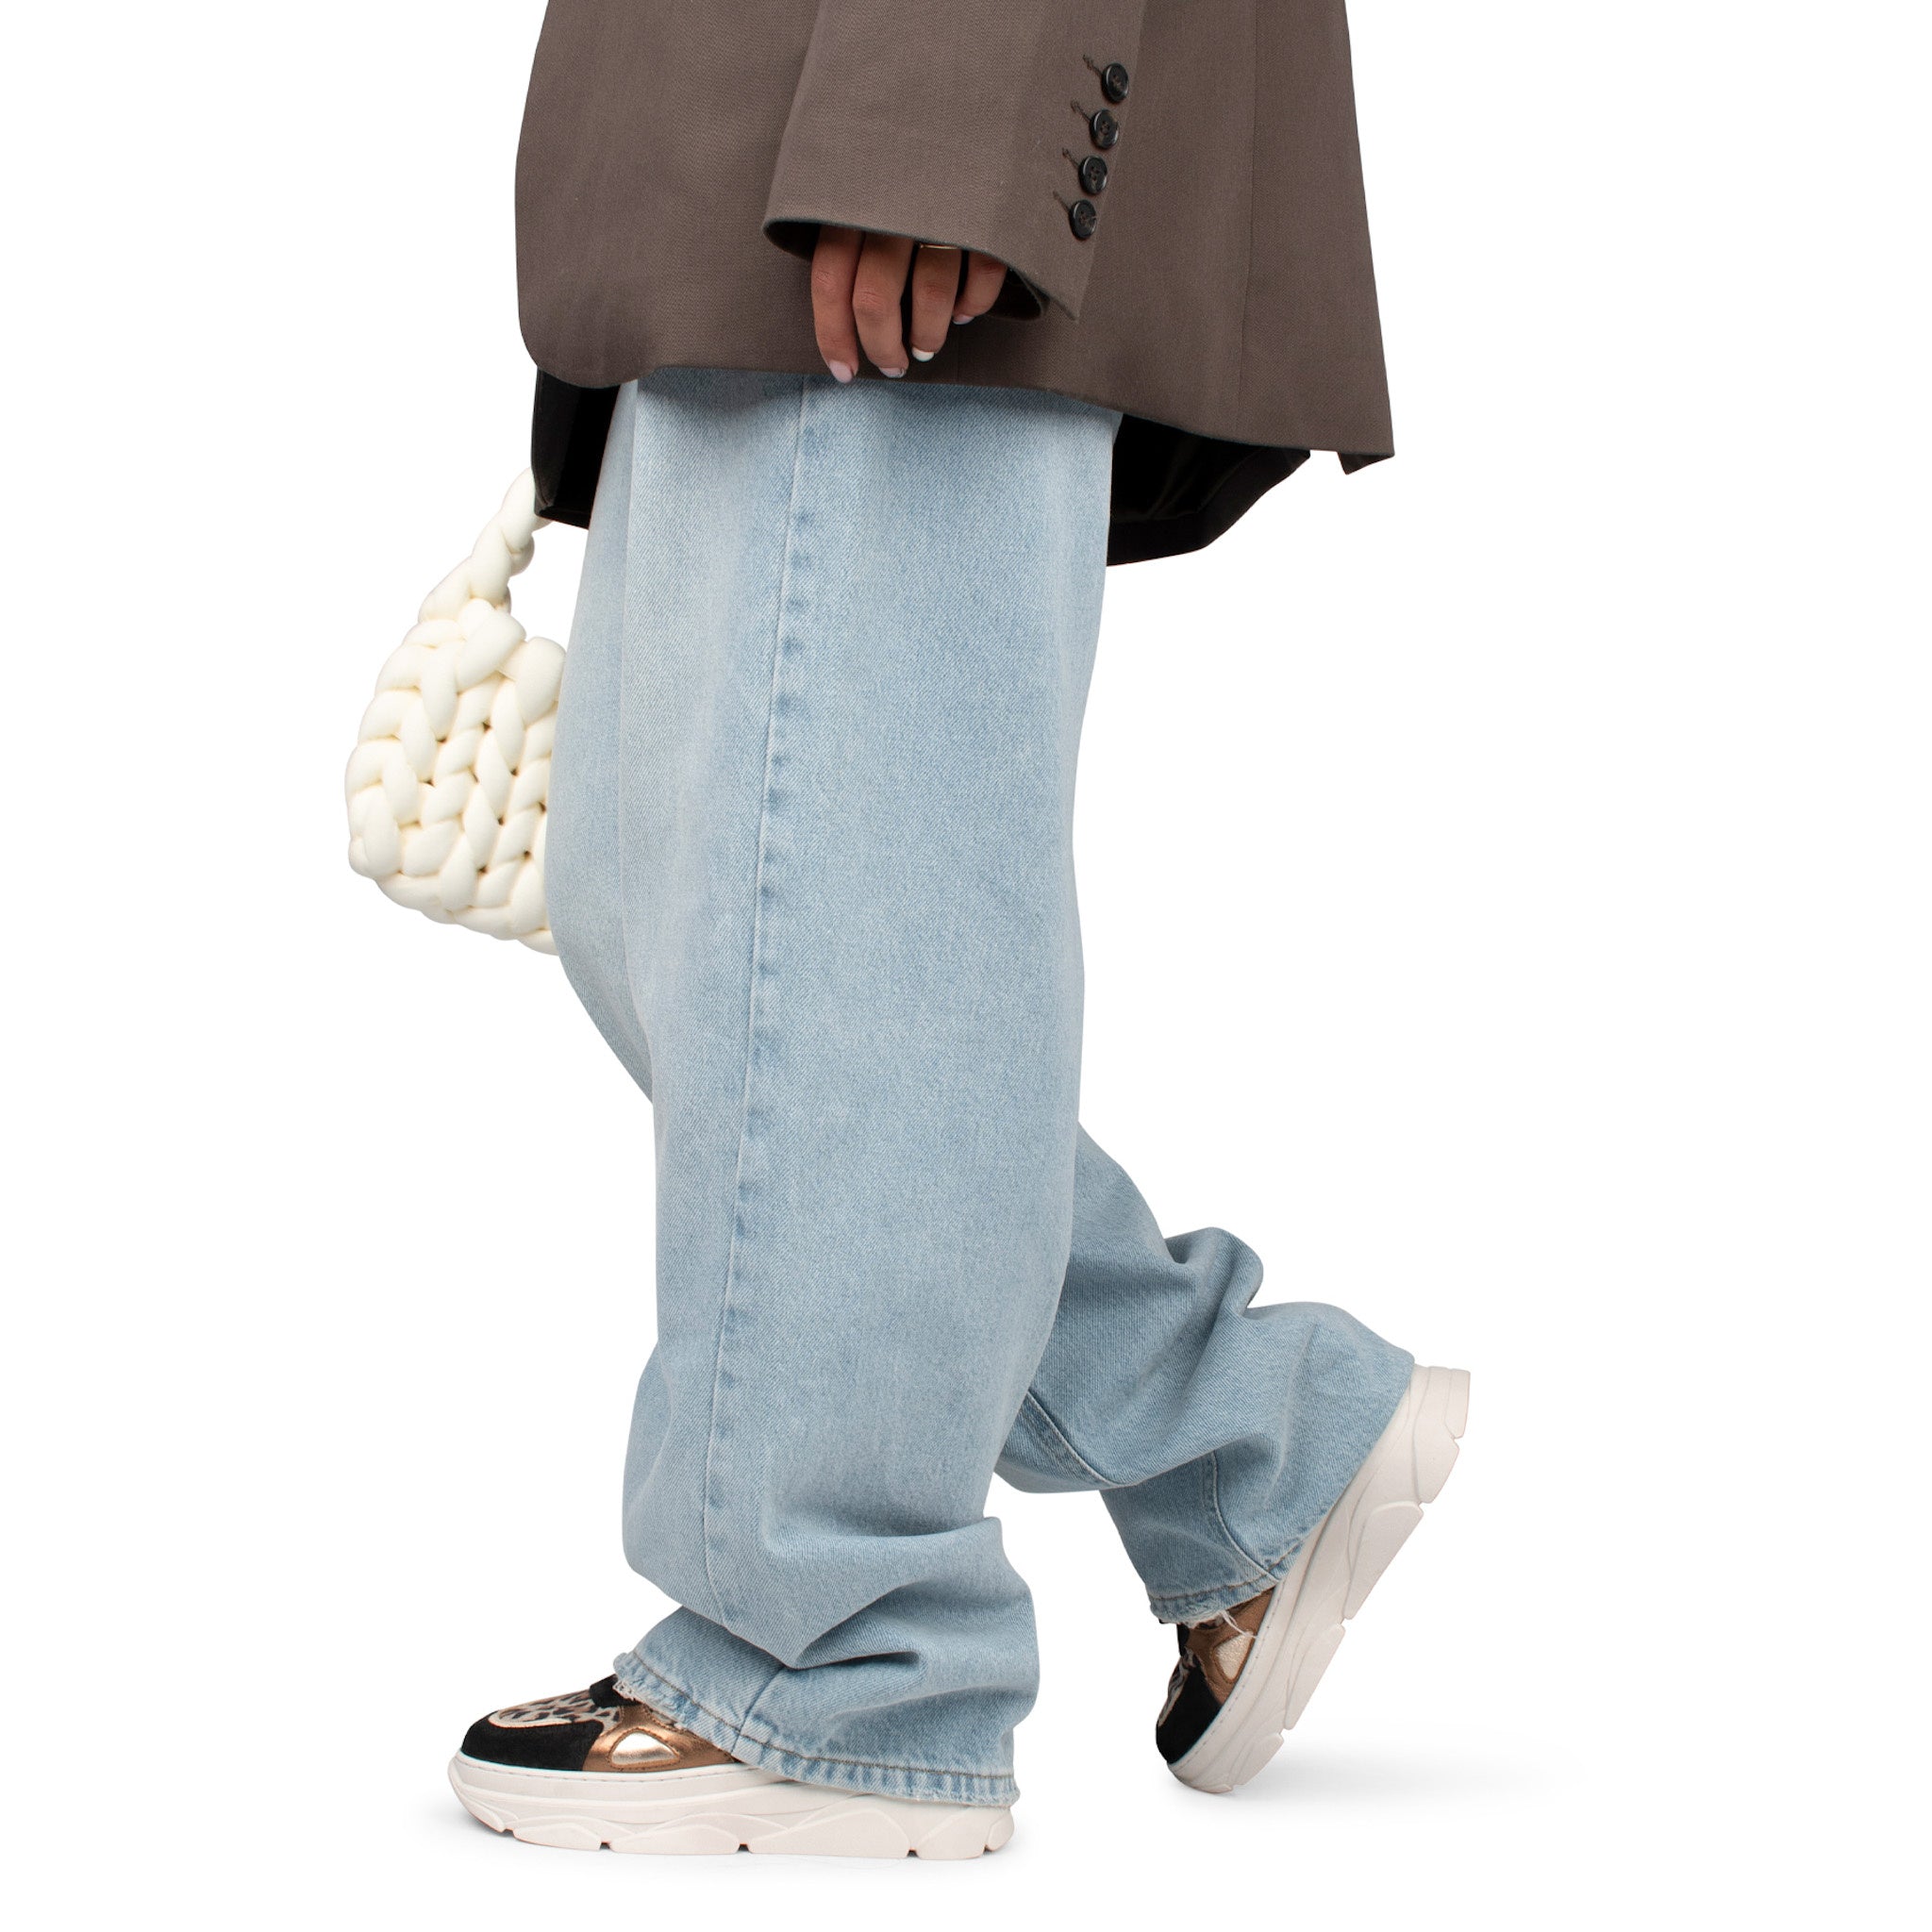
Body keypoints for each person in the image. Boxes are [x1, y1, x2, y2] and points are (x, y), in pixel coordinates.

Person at [446, 2, 1468, 1858]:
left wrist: (935, 120)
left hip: (865, 143)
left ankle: (846, 1649)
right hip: (742, 148)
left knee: (828, 912)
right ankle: (1237, 1433)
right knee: (680, 905)